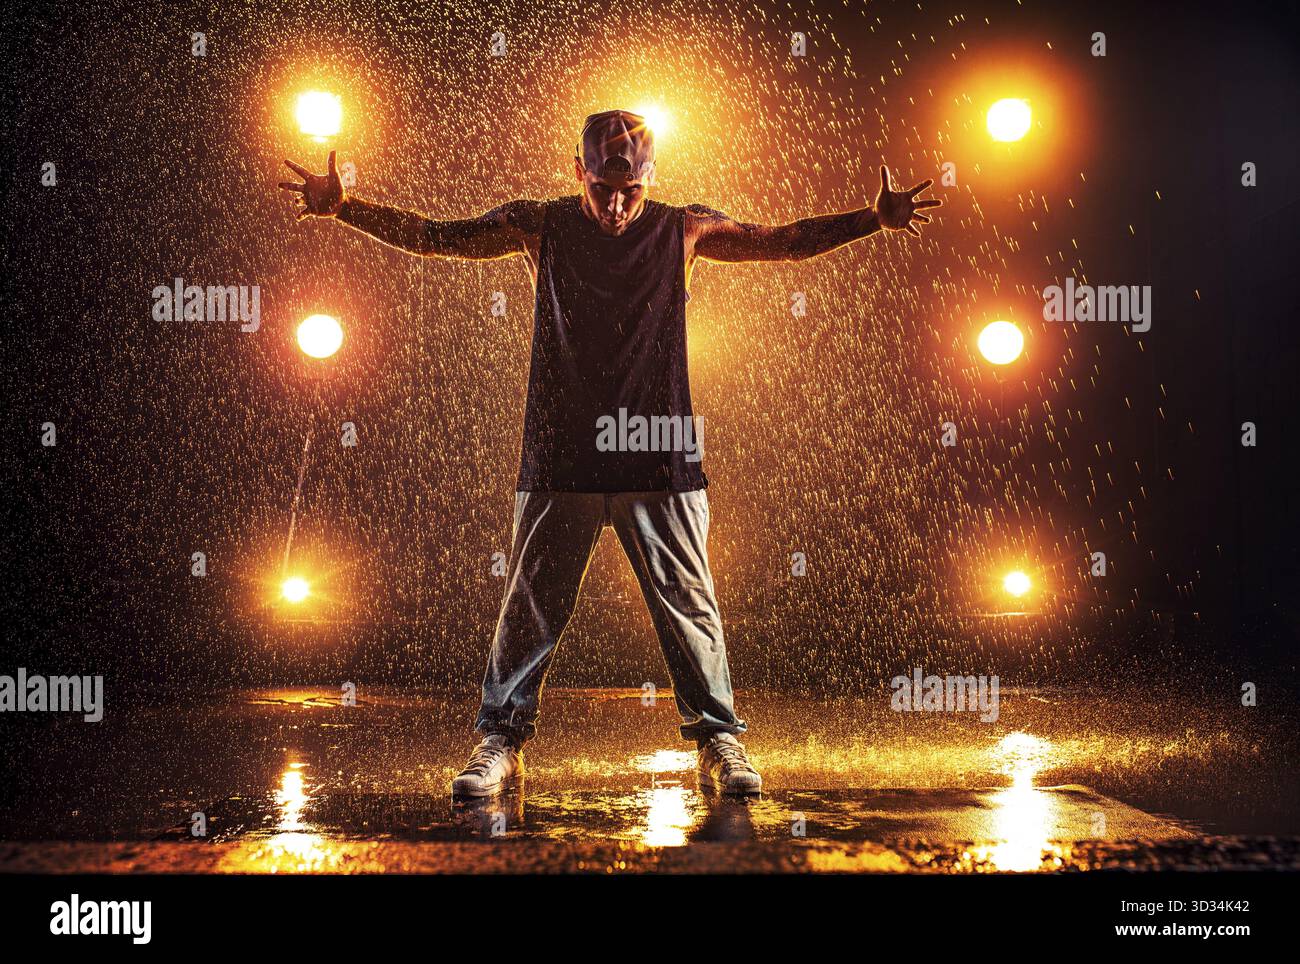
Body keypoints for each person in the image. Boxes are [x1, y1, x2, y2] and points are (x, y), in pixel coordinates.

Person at [279, 109, 940, 797]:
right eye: (603, 189)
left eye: (632, 189)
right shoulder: (538, 224)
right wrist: (346, 209)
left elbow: (786, 242)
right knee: (530, 605)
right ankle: (500, 742)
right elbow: (433, 237)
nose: (618, 205)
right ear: (578, 173)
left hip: (660, 452)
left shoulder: (684, 227)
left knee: (690, 606)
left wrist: (872, 219)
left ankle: (719, 741)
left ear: (651, 178)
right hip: (562, 450)